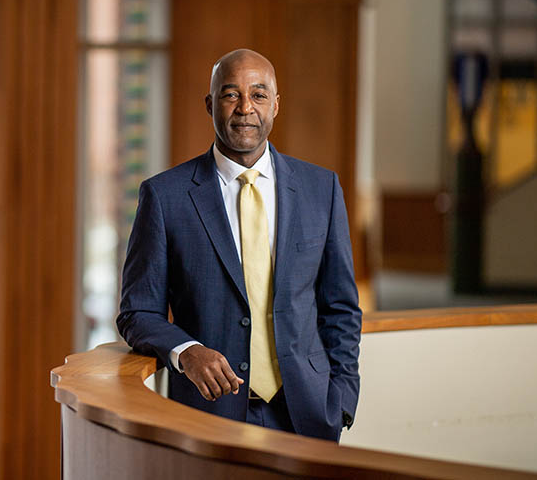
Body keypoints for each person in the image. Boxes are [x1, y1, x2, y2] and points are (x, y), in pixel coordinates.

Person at [116, 49, 361, 442]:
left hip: (309, 414)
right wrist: (187, 351)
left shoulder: (322, 189)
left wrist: (343, 399)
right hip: (208, 414)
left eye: (259, 95)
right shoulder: (165, 197)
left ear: (276, 106)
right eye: (231, 95)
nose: (246, 107)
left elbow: (341, 307)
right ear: (210, 104)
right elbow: (137, 312)